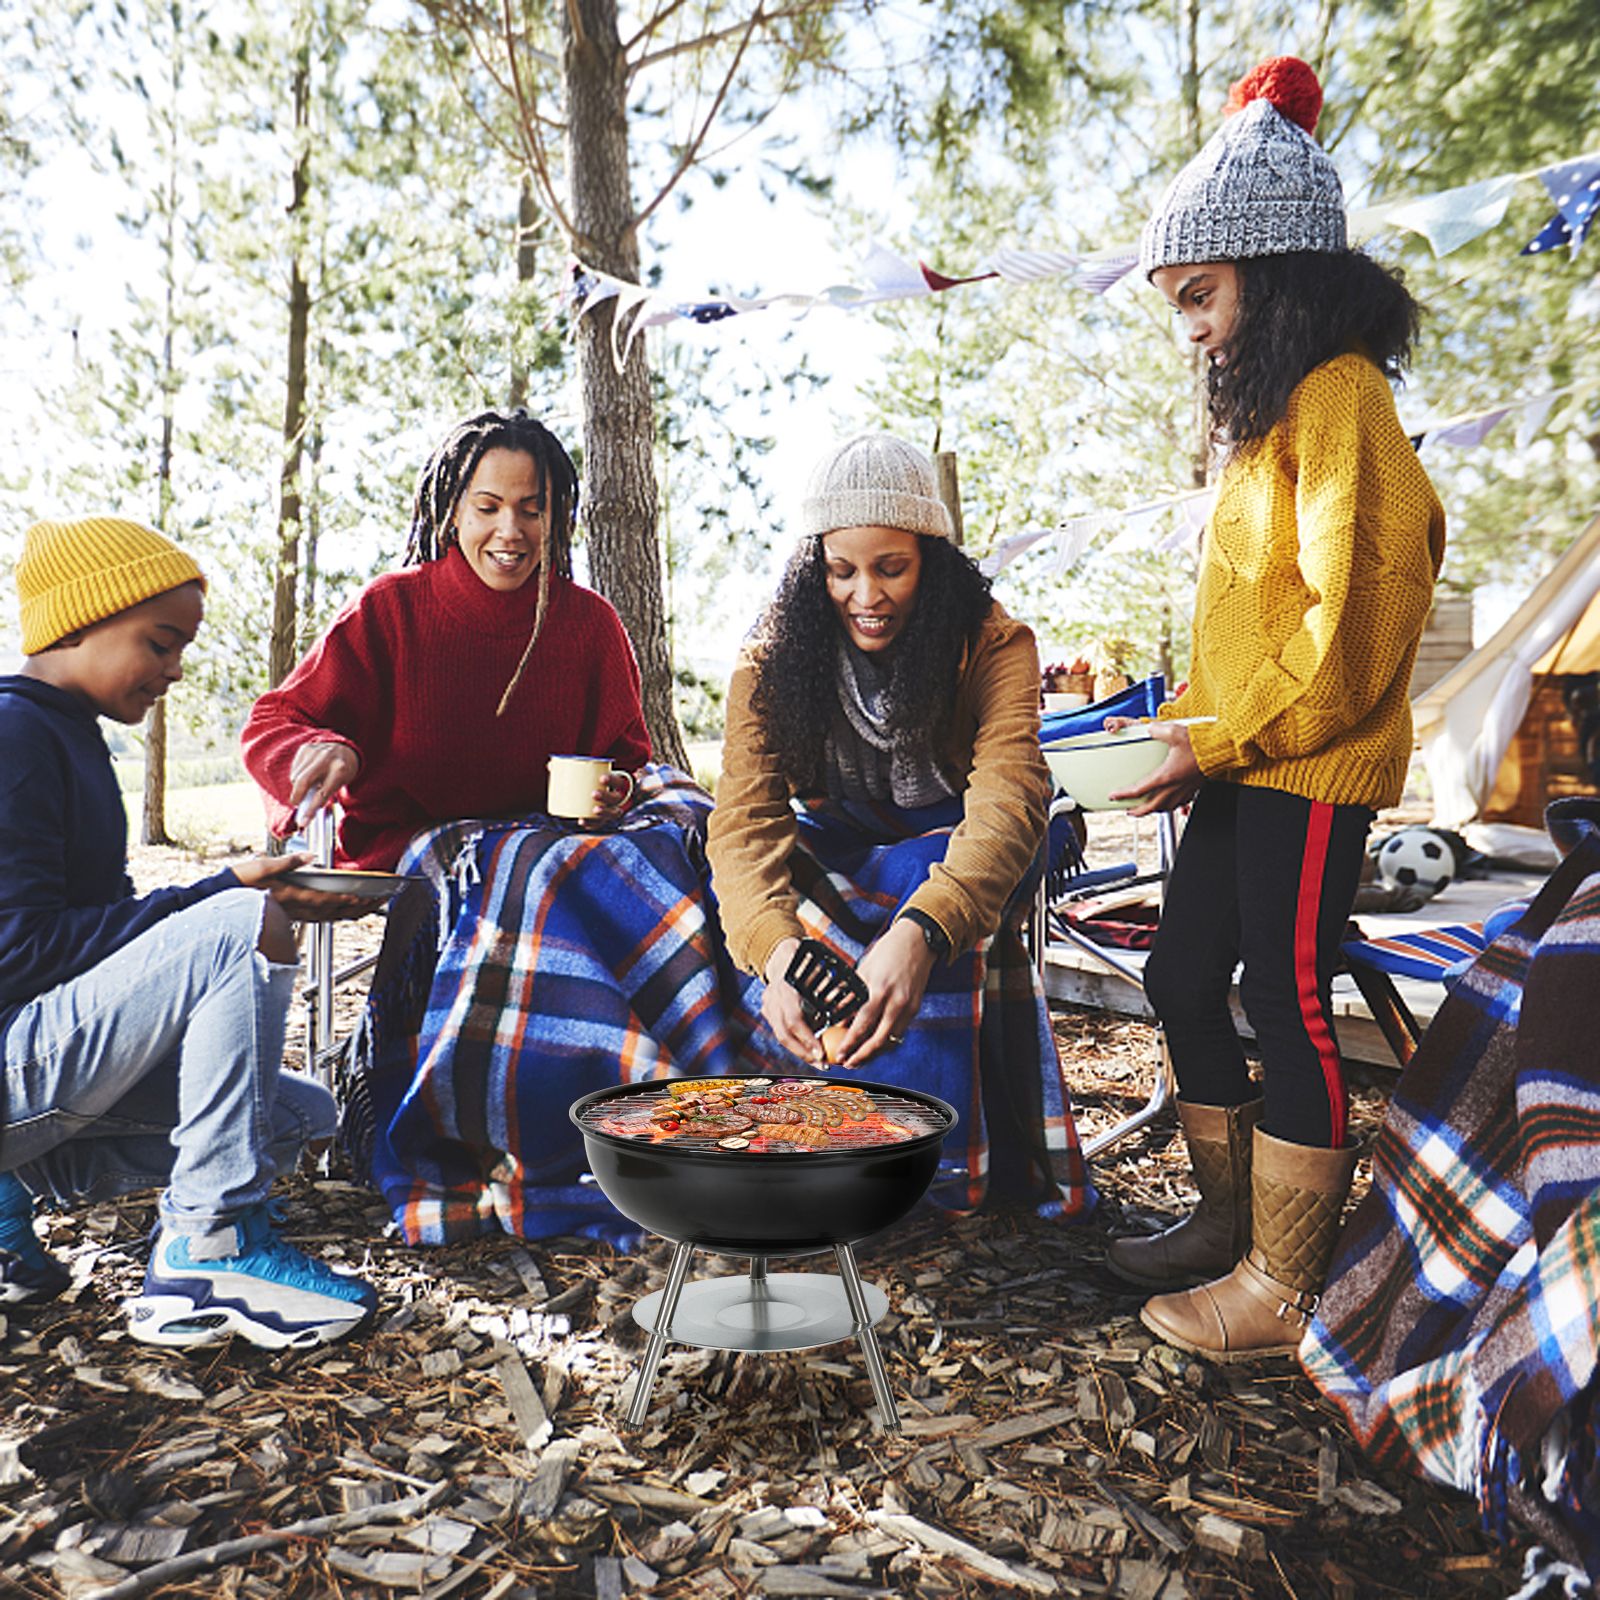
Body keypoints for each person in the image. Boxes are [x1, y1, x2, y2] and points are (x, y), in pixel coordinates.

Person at [1101, 57, 1447, 1359]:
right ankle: (1228, 1221)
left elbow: (1350, 628)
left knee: (1288, 990)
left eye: (1200, 295)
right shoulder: (1268, 423)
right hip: (1246, 759)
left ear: (1277, 272)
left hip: (1311, 763)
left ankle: (1286, 1291)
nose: (1188, 328)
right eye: (1175, 305)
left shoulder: (1344, 396)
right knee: (1180, 971)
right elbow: (1254, 620)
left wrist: (1222, 737)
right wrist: (1187, 726)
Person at [242, 408, 763, 1243]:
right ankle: (490, 1122)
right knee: (522, 865)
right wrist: (321, 748)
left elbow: (629, 757)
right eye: (488, 507)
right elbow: (278, 719)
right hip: (421, 843)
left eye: (532, 509)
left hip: (555, 839)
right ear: (451, 510)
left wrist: (616, 787)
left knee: (681, 830)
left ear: (558, 517)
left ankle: (671, 1088)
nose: (510, 531)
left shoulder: (589, 623)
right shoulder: (391, 610)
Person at [0, 516, 377, 1348]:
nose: (175, 669)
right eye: (160, 642)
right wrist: (225, 896)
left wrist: (238, 899)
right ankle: (209, 1247)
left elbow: (101, 932)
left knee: (294, 1118)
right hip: (12, 1058)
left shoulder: (71, 736)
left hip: (35, 1061)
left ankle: (13, 1192)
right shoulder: (14, 735)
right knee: (239, 922)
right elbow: (17, 954)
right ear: (79, 621)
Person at [706, 433, 1094, 1217]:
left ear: (933, 563)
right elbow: (744, 820)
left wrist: (923, 931)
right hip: (841, 830)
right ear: (813, 571)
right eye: (841, 571)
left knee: (917, 876)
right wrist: (775, 953)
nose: (866, 595)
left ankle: (929, 1169)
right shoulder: (770, 660)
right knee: (718, 877)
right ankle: (802, 1139)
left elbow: (1009, 799)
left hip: (966, 839)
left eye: (891, 568)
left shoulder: (994, 643)